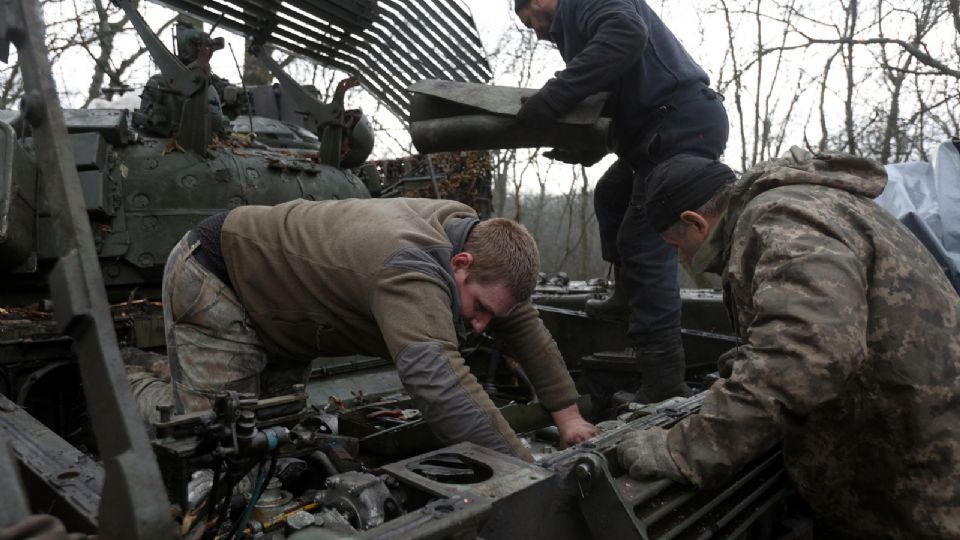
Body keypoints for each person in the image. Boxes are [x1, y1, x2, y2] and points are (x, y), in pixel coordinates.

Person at [617, 149, 960, 537]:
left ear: (694, 222)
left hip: (918, 474)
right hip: (913, 446)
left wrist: (685, 448)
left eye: (676, 246)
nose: (683, 260)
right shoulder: (807, 204)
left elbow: (807, 353)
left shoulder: (779, 219)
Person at [132, 198, 597, 461]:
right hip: (219, 277)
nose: (479, 326)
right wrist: (521, 470)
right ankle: (131, 380)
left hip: (286, 309)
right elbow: (438, 383)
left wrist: (569, 419)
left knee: (270, 436)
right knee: (214, 442)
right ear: (460, 264)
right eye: (478, 310)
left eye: (489, 317)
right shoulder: (409, 264)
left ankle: (181, 372)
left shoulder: (472, 241)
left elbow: (521, 321)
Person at [513, 0, 729, 402]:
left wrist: (550, 100)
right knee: (611, 194)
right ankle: (625, 297)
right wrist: (585, 149)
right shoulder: (578, 27)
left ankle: (664, 383)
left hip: (680, 124)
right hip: (649, 135)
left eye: (530, 22)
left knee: (644, 242)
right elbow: (612, 87)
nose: (538, 33)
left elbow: (626, 36)